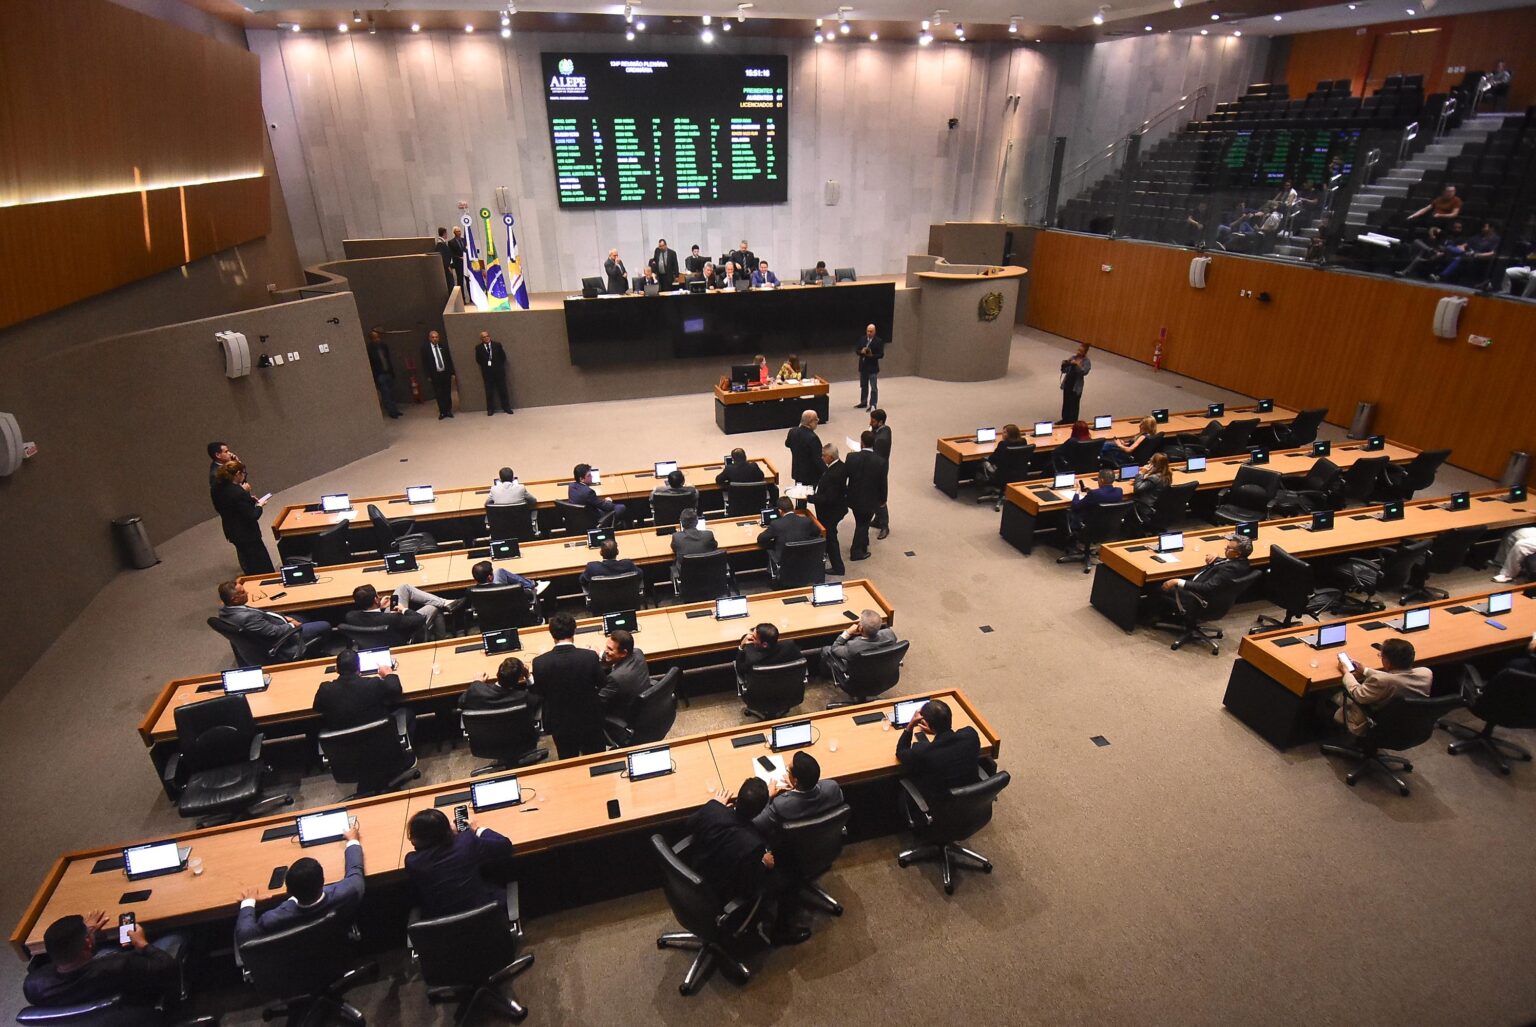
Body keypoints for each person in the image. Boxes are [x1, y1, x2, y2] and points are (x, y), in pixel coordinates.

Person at [683, 779, 807, 946]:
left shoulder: (713, 809)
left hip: (696, 874)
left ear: (738, 797)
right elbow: (749, 885)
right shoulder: (753, 843)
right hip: (721, 893)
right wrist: (764, 864)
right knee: (788, 877)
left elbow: (690, 824)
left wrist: (715, 805)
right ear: (759, 812)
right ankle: (781, 932)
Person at [24, 912, 185, 1011]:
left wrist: (85, 935)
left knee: (107, 949)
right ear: (88, 943)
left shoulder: (33, 986)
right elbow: (167, 966)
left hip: (94, 1013)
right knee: (177, 935)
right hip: (135, 1010)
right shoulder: (121, 965)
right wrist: (142, 943)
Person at [235, 824, 363, 945]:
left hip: (294, 957)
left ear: (288, 892)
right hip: (336, 946)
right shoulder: (350, 891)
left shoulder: (271, 919)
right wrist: (352, 840)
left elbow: (245, 937)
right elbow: (355, 870)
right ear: (323, 881)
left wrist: (248, 902)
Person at [404, 808, 516, 919]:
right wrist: (476, 829)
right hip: (487, 918)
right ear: (447, 832)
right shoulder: (466, 842)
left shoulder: (412, 862)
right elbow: (505, 846)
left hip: (442, 926)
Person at [531, 612, 607, 757]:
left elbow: (539, 693)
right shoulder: (589, 657)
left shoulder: (540, 662)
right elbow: (603, 683)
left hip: (560, 722)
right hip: (590, 718)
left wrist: (543, 658)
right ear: (574, 631)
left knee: (568, 758)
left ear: (552, 634)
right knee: (597, 759)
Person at [1332, 638, 1432, 736]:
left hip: (1372, 720)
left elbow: (1358, 694)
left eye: (1381, 656)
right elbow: (1397, 677)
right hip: (1408, 721)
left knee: (1334, 693)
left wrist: (1346, 672)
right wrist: (1365, 670)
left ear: (1388, 662)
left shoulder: (1382, 681)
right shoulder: (1426, 673)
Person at [896, 698, 981, 804]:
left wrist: (911, 725)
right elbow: (954, 738)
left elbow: (901, 751)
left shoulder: (923, 752)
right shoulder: (971, 735)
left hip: (943, 806)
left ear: (926, 723)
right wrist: (938, 731)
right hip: (973, 800)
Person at [217, 580, 331, 658]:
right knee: (325, 625)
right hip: (284, 638)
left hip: (273, 624)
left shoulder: (225, 611)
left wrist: (284, 618)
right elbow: (273, 632)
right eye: (242, 592)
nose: (247, 592)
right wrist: (292, 625)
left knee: (304, 615)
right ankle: (316, 654)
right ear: (235, 599)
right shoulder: (247, 618)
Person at [313, 646, 408, 732]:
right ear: (359, 668)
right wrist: (389, 674)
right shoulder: (373, 684)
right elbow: (395, 689)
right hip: (376, 739)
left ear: (336, 669)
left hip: (342, 743)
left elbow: (317, 708)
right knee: (408, 713)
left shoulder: (325, 690)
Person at [1157, 534, 1253, 618]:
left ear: (1237, 554)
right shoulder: (1242, 562)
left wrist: (1177, 581)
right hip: (1215, 598)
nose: (1225, 549)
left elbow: (1207, 587)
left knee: (1157, 586)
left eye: (1228, 548)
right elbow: (1225, 564)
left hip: (1200, 599)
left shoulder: (1230, 569)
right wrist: (1216, 557)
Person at [754, 750, 843, 835]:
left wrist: (768, 796)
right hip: (826, 837)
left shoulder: (780, 804)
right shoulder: (833, 787)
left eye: (788, 770)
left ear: (796, 780)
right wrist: (796, 786)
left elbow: (757, 823)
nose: (787, 772)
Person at [212, 460, 275, 574]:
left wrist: (249, 500)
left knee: (248, 561)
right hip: (248, 534)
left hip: (232, 531)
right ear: (237, 474)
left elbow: (229, 506)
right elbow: (252, 515)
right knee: (261, 564)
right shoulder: (238, 492)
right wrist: (259, 505)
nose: (244, 476)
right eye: (243, 473)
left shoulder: (216, 488)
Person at [346, 582, 457, 644]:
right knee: (433, 607)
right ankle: (442, 643)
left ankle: (445, 602)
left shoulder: (351, 616)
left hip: (383, 624)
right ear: (376, 599)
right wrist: (404, 610)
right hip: (404, 634)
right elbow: (419, 619)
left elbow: (372, 615)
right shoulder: (393, 618)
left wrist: (379, 607)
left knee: (403, 588)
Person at [845, 430, 888, 561]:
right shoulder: (881, 461)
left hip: (853, 497)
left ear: (861, 443)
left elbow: (845, 476)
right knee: (862, 524)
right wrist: (883, 500)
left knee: (860, 521)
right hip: (870, 500)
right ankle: (856, 552)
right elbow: (883, 483)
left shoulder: (851, 457)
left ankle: (864, 543)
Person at [819, 608, 897, 679]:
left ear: (860, 628)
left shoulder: (853, 647)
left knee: (826, 649)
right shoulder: (890, 635)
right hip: (882, 671)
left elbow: (835, 648)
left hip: (859, 679)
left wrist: (848, 632)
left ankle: (826, 676)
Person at [461, 656, 541, 719]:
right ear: (518, 680)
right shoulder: (525, 698)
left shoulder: (476, 691)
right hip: (517, 734)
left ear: (497, 674)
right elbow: (537, 698)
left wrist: (476, 683)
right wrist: (528, 676)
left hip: (486, 734)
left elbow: (461, 702)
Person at [813, 443, 849, 576]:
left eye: (824, 456)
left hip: (830, 512)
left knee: (831, 538)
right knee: (830, 535)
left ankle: (838, 567)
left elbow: (827, 499)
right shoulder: (841, 466)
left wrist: (809, 498)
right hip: (838, 507)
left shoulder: (833, 475)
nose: (822, 458)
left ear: (831, 457)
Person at [599, 628, 650, 720]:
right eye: (606, 647)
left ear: (623, 653)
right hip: (642, 704)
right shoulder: (638, 652)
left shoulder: (616, 678)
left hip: (625, 715)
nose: (606, 650)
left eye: (610, 649)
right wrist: (600, 654)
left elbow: (598, 701)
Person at [757, 496, 821, 565]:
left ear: (780, 511)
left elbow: (760, 539)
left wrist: (774, 543)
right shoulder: (806, 521)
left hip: (784, 564)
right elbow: (817, 533)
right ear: (793, 508)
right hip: (805, 560)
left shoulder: (776, 524)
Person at [735, 622, 803, 681]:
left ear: (764, 644)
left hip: (762, 690)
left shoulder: (751, 659)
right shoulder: (790, 646)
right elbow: (800, 662)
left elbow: (740, 669)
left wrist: (741, 646)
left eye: (754, 637)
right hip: (790, 688)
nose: (751, 637)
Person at [1067, 468, 1123, 538]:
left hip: (1090, 526)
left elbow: (1075, 505)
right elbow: (1103, 495)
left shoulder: (1094, 494)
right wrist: (1091, 492)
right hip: (1110, 526)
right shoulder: (1119, 491)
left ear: (1101, 480)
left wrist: (1077, 492)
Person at [570, 463, 627, 528]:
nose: (592, 477)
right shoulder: (588, 492)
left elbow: (593, 501)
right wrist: (608, 501)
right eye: (589, 475)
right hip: (592, 520)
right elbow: (605, 507)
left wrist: (602, 501)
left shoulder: (571, 486)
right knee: (621, 507)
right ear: (581, 479)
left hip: (579, 519)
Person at [475, 330, 514, 415]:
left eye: (487, 336)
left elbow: (503, 357)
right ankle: (490, 409)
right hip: (487, 373)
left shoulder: (497, 345)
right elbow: (478, 360)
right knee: (489, 392)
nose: (486, 338)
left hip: (499, 372)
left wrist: (498, 366)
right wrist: (486, 366)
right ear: (481, 339)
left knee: (503, 390)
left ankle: (506, 407)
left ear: (489, 336)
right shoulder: (478, 348)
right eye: (484, 337)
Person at [366, 329, 402, 418]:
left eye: (378, 337)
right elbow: (371, 364)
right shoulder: (369, 349)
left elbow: (388, 359)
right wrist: (375, 377)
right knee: (386, 394)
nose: (377, 339)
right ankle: (391, 412)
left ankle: (395, 410)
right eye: (375, 338)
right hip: (380, 375)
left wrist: (392, 372)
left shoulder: (383, 346)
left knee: (392, 392)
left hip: (388, 372)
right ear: (371, 339)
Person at [1131, 453, 1173, 529]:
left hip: (1146, 506)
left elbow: (1137, 489)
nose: (1148, 462)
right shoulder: (1167, 474)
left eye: (1150, 461)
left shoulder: (1154, 478)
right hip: (1159, 507)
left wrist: (1141, 473)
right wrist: (1143, 479)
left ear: (1155, 464)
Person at [421, 330, 456, 420]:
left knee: (447, 392)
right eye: (433, 337)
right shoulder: (425, 349)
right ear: (429, 338)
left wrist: (452, 372)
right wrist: (428, 375)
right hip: (435, 375)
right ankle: (442, 412)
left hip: (445, 373)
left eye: (436, 337)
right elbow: (424, 363)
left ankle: (449, 410)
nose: (435, 339)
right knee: (439, 393)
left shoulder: (443, 346)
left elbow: (448, 360)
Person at [869, 408, 892, 539]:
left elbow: (876, 458)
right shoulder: (885, 429)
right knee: (875, 496)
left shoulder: (881, 440)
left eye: (873, 421)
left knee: (880, 498)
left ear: (880, 422)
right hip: (879, 468)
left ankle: (884, 526)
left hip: (878, 471)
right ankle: (878, 520)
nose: (870, 423)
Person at [784, 410, 824, 486]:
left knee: (799, 491)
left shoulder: (792, 432)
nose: (818, 421)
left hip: (797, 472)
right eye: (816, 419)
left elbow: (787, 444)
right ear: (810, 422)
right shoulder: (813, 438)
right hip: (811, 476)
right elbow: (818, 459)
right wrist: (827, 472)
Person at [470, 559, 544, 597]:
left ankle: (531, 584)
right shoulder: (507, 589)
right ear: (489, 577)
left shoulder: (471, 591)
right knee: (500, 572)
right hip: (515, 617)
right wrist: (531, 591)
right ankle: (532, 584)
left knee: (500, 572)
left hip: (489, 620)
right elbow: (528, 594)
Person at [1059, 343, 1091, 424]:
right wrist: (1065, 365)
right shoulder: (1073, 358)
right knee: (1066, 401)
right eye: (1078, 350)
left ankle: (1073, 421)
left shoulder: (1086, 361)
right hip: (1068, 383)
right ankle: (1065, 419)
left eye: (1081, 351)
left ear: (1085, 352)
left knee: (1074, 403)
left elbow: (1084, 372)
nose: (1078, 352)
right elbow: (1065, 370)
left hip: (1076, 385)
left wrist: (1077, 365)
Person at [855, 323, 885, 409]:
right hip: (863, 367)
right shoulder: (862, 339)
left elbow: (881, 355)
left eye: (871, 331)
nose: (869, 333)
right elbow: (857, 350)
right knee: (863, 386)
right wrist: (861, 352)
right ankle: (863, 402)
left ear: (874, 332)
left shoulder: (879, 341)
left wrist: (871, 355)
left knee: (873, 387)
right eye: (868, 331)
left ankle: (873, 403)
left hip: (872, 367)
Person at [447, 227, 468, 293]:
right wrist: (459, 257)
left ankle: (471, 296)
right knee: (460, 281)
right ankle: (462, 297)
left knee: (468, 280)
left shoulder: (464, 240)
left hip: (466, 263)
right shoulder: (451, 242)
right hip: (458, 264)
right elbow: (452, 254)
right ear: (454, 232)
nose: (459, 233)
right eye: (457, 231)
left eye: (459, 231)